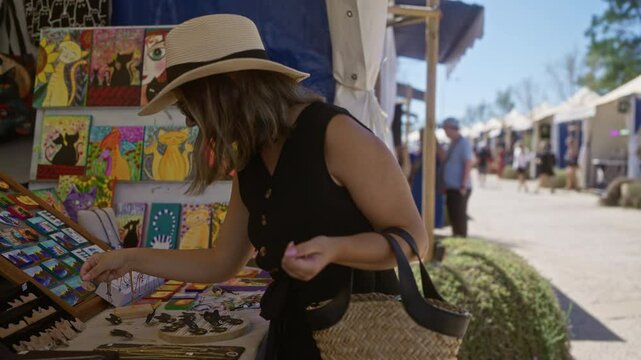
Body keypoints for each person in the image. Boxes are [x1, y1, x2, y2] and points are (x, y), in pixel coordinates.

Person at [79, 15, 427, 360]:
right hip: (295, 333)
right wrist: (131, 258)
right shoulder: (252, 158)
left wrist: (334, 249)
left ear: (229, 85)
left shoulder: (334, 134)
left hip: (361, 337)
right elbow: (221, 262)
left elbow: (415, 240)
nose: (188, 120)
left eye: (189, 104)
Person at [439, 118, 473, 238]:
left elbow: (468, 163)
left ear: (451, 128)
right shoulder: (453, 143)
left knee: (459, 216)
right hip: (452, 187)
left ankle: (461, 239)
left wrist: (463, 184)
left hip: (459, 187)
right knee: (454, 215)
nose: (444, 132)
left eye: (445, 129)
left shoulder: (463, 143)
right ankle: (457, 237)